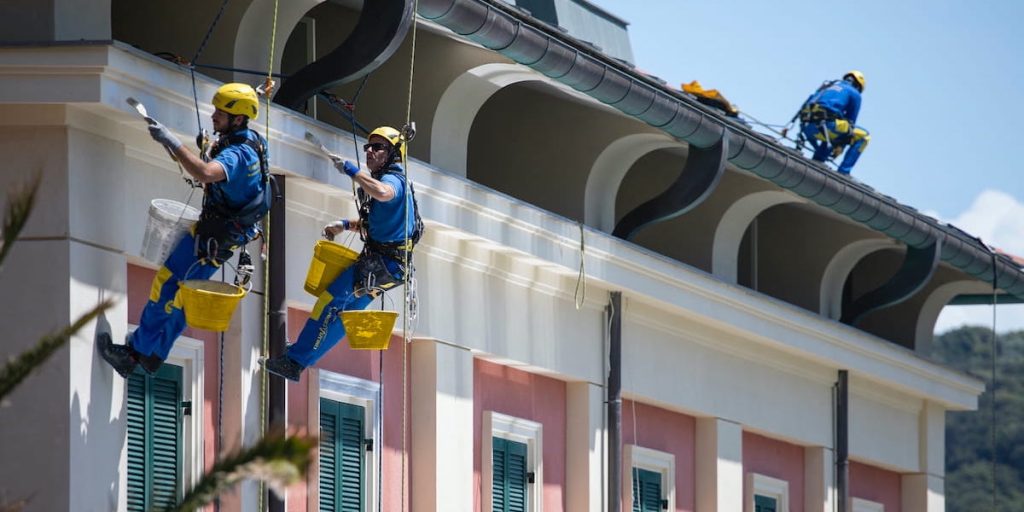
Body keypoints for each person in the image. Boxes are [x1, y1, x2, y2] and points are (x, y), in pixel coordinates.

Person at [98, 83, 272, 378]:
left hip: (213, 238)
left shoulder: (239, 154)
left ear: (239, 119)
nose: (214, 115)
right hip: (224, 235)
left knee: (166, 286)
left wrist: (172, 141)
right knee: (183, 296)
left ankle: (134, 353)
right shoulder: (252, 141)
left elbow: (205, 173)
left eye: (221, 112)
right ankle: (153, 353)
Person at [262, 126, 420, 382]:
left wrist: (353, 171)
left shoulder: (393, 180)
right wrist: (345, 225)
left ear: (393, 154)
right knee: (344, 315)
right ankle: (299, 360)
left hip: (382, 265)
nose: (369, 151)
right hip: (387, 266)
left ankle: (296, 360)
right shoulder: (390, 182)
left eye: (377, 147)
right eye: (368, 147)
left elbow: (383, 193)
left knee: (328, 301)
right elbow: (376, 225)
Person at [792, 70, 870, 175]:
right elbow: (851, 122)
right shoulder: (855, 93)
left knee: (835, 129)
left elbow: (805, 106)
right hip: (826, 128)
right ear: (858, 86)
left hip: (806, 128)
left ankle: (817, 161)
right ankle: (843, 172)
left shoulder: (827, 87)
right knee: (864, 136)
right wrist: (841, 147)